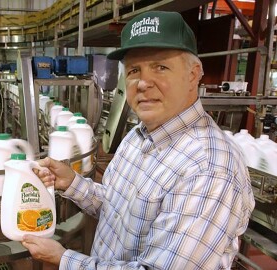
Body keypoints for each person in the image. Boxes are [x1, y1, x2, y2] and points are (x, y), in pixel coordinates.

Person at [22, 10, 255, 269]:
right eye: (134, 69)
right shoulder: (138, 136)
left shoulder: (210, 169)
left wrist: (64, 258)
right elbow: (118, 210)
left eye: (161, 67)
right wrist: (73, 183)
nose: (143, 83)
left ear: (193, 74)